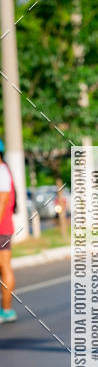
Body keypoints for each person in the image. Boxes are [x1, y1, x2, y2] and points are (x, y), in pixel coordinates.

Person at [0, 139, 17, 324]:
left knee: (4, 266)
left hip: (1, 228)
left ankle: (6, 310)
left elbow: (2, 203)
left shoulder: (2, 171)